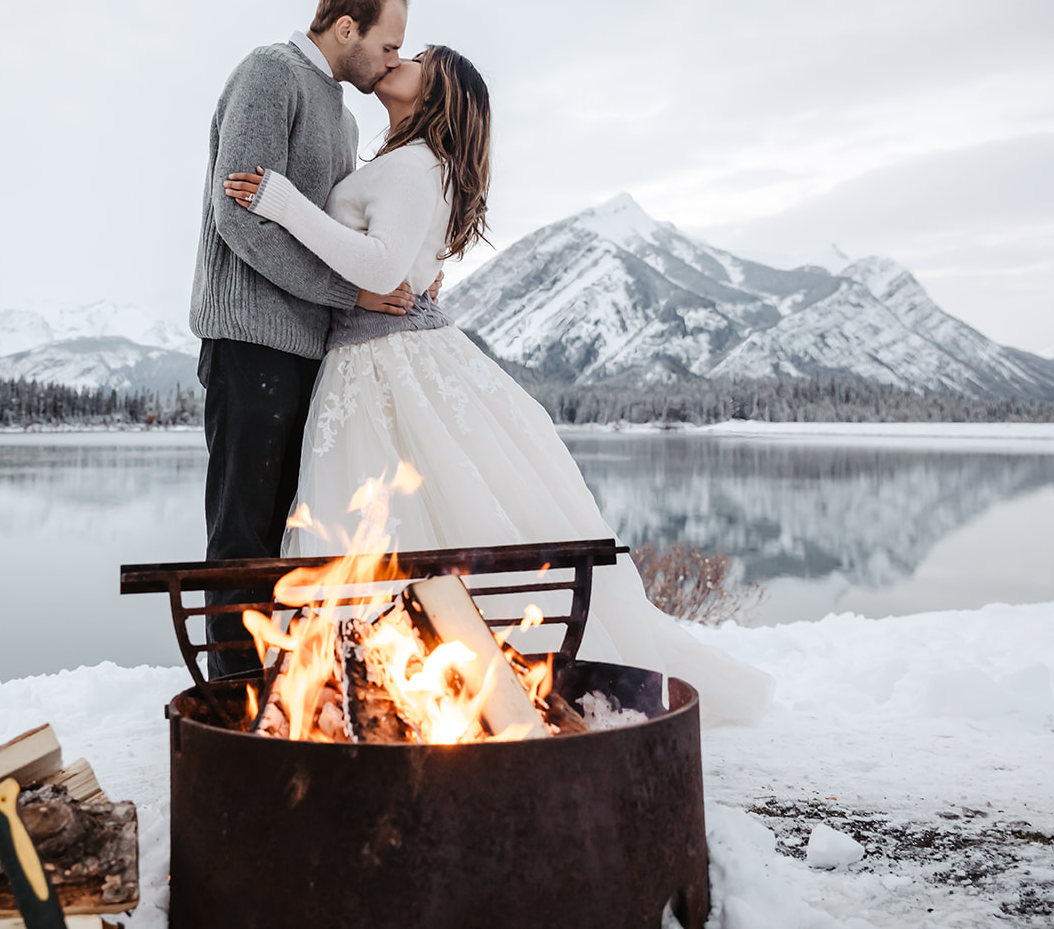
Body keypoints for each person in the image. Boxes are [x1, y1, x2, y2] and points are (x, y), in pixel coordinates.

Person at [223, 45, 773, 725]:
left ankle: (397, 689)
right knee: (424, 522)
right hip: (378, 355)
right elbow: (397, 261)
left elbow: (380, 261)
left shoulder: (413, 165)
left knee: (398, 525)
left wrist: (280, 201)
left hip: (382, 364)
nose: (401, 56)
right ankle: (403, 685)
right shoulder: (414, 164)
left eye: (420, 57)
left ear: (439, 92)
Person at [191, 0, 433, 679]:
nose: (393, 59)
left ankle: (275, 689)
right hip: (249, 341)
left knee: (290, 535)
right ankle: (231, 702)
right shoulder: (270, 75)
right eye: (389, 46)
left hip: (308, 351)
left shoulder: (344, 113)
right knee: (242, 535)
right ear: (347, 26)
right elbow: (242, 221)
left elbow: (340, 233)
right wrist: (347, 295)